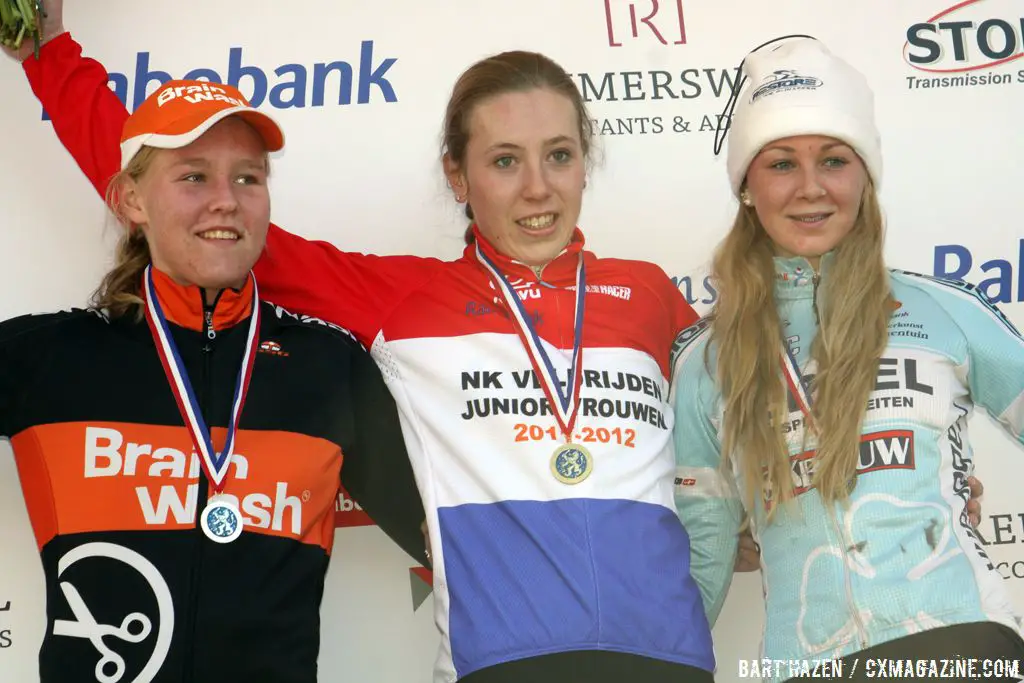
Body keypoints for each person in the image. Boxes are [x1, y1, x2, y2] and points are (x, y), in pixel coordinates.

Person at [8, 7, 718, 683]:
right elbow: (188, 205)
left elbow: (740, 410)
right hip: (500, 662)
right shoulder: (398, 299)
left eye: (559, 155)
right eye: (505, 160)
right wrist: (47, 54)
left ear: (584, 162)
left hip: (670, 658)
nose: (538, 188)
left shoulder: (651, 293)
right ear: (457, 176)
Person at [0, 75, 427, 682]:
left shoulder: (329, 365)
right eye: (194, 175)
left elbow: (443, 537)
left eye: (248, 178)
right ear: (130, 201)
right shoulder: (49, 356)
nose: (226, 199)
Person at [671, 36, 1024, 682]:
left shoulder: (943, 310)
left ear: (865, 174)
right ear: (746, 185)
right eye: (780, 163)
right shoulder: (705, 362)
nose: (811, 189)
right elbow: (702, 555)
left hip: (959, 647)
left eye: (834, 159)